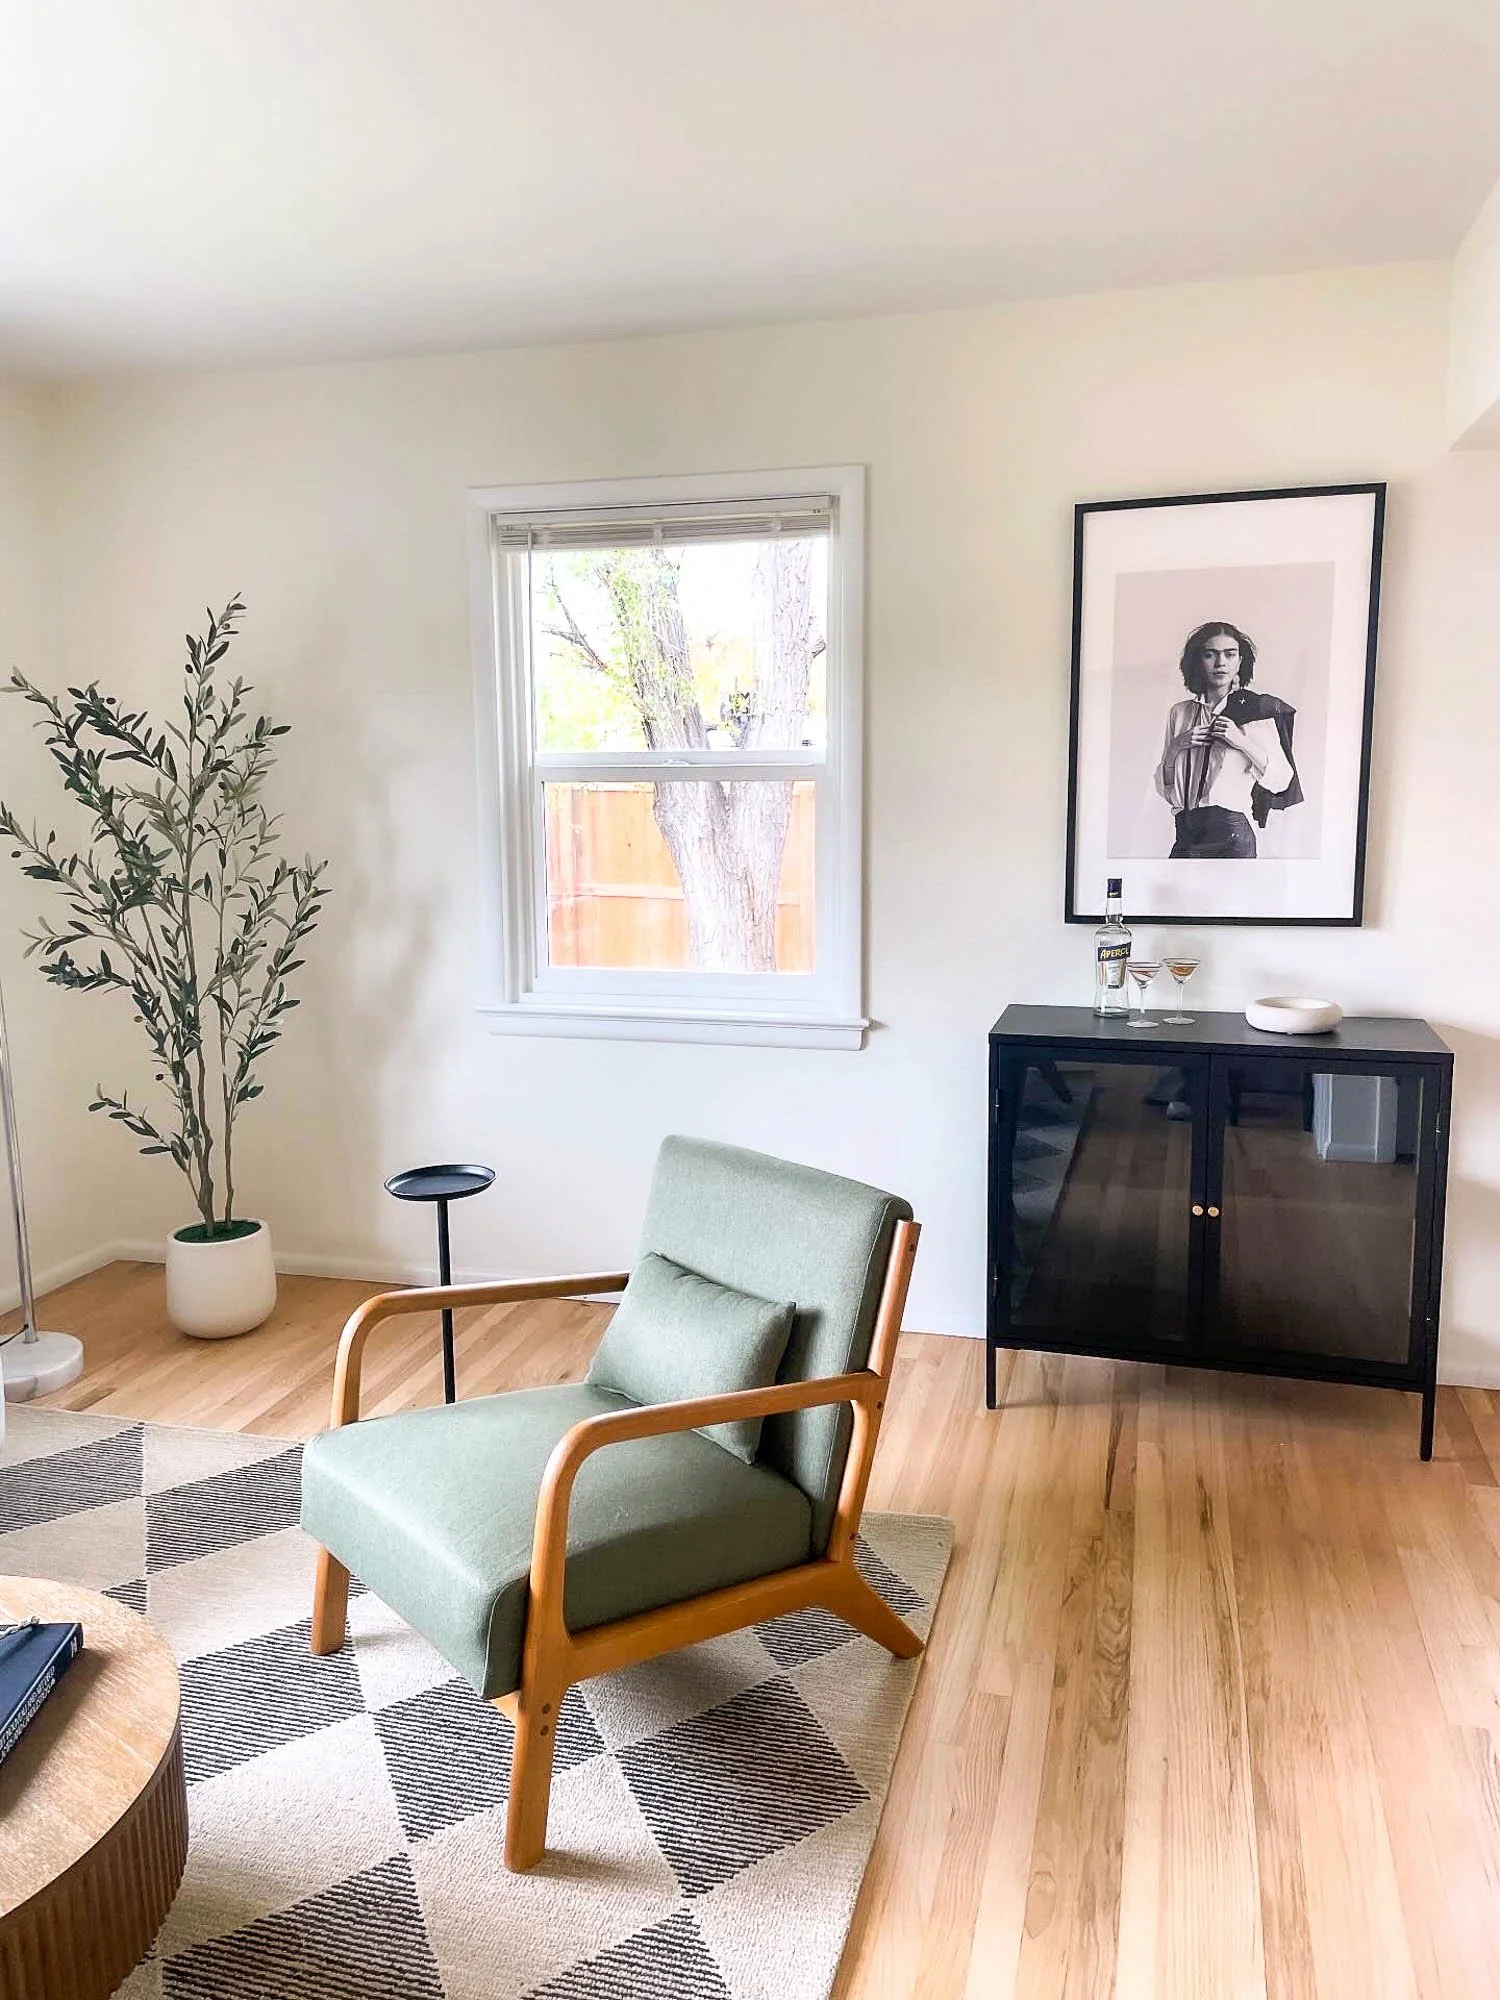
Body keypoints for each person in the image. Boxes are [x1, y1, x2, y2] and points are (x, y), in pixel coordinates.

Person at [1155, 620, 1301, 859]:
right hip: (1185, 834)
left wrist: (1240, 740)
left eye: (1229, 654)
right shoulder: (1180, 712)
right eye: (1210, 654)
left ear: (1240, 661)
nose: (1220, 663)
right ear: (1197, 661)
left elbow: (1281, 780)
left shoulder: (1254, 711)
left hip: (1231, 837)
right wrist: (1176, 747)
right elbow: (1168, 790)